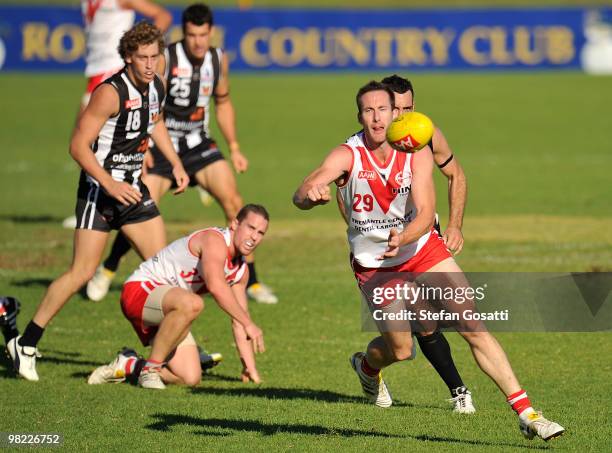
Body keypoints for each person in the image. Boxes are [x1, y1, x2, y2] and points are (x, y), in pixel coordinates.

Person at [293, 81, 564, 442]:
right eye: (368, 111)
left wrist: (405, 237)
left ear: (395, 113)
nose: (376, 118)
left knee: (473, 325)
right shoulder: (347, 154)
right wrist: (310, 195)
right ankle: (367, 366)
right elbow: (302, 191)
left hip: (421, 248)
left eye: (383, 110)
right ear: (360, 115)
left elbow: (424, 212)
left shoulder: (416, 150)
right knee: (401, 350)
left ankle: (528, 413)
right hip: (375, 266)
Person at [7, 22, 189, 382]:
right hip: (99, 193)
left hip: (134, 191)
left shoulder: (157, 83)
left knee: (166, 272)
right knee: (81, 273)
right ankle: (26, 344)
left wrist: (176, 162)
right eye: (143, 58)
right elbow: (77, 145)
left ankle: (173, 351)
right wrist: (108, 182)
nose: (151, 64)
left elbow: (155, 123)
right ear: (127, 57)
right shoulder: (110, 92)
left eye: (155, 56)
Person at [86, 3, 278, 305]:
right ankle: (108, 269)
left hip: (199, 143)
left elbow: (224, 103)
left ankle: (251, 283)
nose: (198, 42)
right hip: (162, 146)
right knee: (139, 207)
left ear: (211, 33)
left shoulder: (218, 60)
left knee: (235, 203)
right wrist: (143, 145)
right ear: (183, 33)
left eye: (203, 35)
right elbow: (148, 105)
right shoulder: (166, 59)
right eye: (191, 35)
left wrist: (235, 147)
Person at [334, 75, 473, 413]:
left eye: (408, 108)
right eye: (395, 109)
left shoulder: (424, 133)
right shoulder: (357, 149)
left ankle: (459, 391)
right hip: (383, 250)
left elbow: (456, 174)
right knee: (406, 342)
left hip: (423, 235)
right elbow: (346, 203)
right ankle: (372, 367)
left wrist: (454, 225)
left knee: (457, 315)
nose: (401, 116)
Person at [87, 204, 268, 388]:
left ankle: (131, 365)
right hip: (140, 291)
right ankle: (151, 371)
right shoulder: (215, 240)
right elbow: (216, 286)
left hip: (172, 309)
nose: (254, 237)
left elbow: (239, 319)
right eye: (251, 228)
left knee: (190, 378)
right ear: (235, 224)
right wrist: (249, 324)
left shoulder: (241, 271)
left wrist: (249, 367)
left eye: (261, 233)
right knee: (193, 303)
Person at [62, 0, 172, 229]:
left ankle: (119, 203)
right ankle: (95, 205)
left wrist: (144, 52)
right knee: (87, 142)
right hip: (96, 73)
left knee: (91, 140)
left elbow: (162, 15)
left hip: (118, 73)